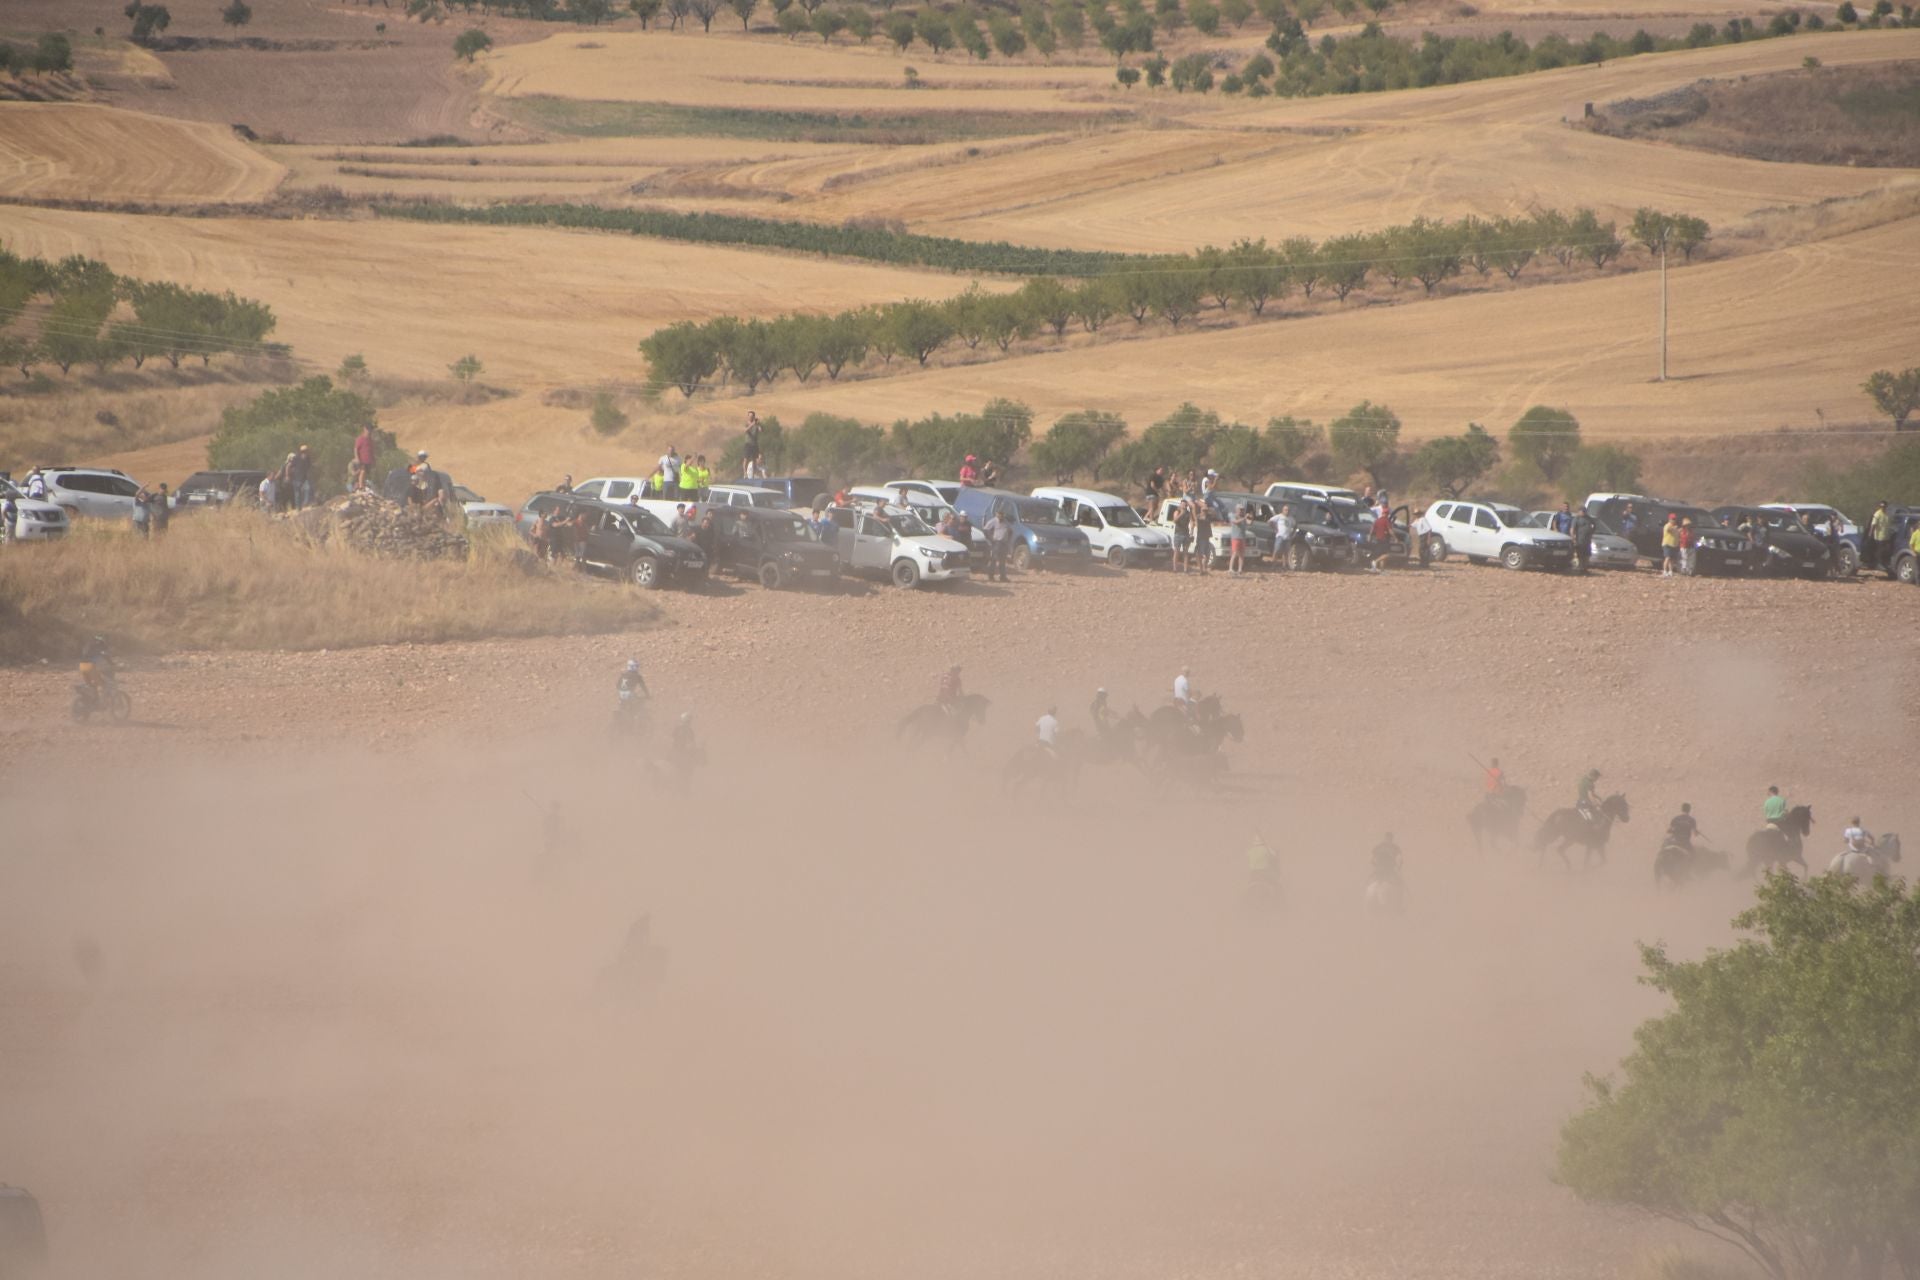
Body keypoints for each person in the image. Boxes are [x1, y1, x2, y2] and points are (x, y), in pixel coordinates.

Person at [983, 507, 1012, 582]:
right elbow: (986, 530)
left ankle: (1002, 577)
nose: (1000, 516)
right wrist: (991, 539)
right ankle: (991, 576)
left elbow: (1010, 531)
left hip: (1004, 543)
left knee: (1002, 561)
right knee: (994, 560)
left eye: (1001, 514)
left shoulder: (1006, 522)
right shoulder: (993, 521)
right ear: (996, 514)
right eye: (999, 514)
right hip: (997, 543)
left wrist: (1008, 540)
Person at [1568, 506, 1594, 573]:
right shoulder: (1576, 519)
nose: (1583, 512)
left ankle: (1585, 568)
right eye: (1582, 511)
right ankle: (1580, 568)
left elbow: (1593, 526)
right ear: (1579, 511)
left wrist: (1591, 533)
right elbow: (1572, 529)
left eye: (1584, 511)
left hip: (1587, 541)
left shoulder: (1589, 519)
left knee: (1587, 555)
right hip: (1580, 540)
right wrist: (1573, 538)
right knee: (1580, 554)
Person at [1869, 500, 1893, 573]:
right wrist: (1870, 533)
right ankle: (1878, 564)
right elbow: (1873, 524)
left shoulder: (1887, 514)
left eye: (1884, 506)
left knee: (1885, 551)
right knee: (1879, 551)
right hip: (1879, 537)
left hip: (1886, 536)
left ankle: (1884, 563)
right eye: (1881, 506)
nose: (1883, 507)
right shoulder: (1877, 514)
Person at [1368, 506, 1393, 573]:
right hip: (1385, 539)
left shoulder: (1377, 520)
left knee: (1382, 554)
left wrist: (1370, 537)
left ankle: (1382, 570)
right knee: (1387, 554)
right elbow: (1390, 530)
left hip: (1378, 539)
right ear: (1387, 514)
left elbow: (1372, 529)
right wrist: (1395, 538)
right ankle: (1375, 562)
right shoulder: (1386, 520)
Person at [1273, 503, 1296, 570]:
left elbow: (1295, 526)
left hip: (1287, 538)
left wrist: (1292, 533)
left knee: (1286, 552)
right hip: (1280, 536)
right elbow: (1270, 521)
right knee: (1277, 550)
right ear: (1282, 510)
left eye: (1288, 510)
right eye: (1285, 510)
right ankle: (1273, 564)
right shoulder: (1279, 516)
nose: (1287, 511)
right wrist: (1275, 529)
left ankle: (1284, 566)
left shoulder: (1291, 519)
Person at [1192, 500, 1213, 575]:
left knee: (1207, 554)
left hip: (1207, 537)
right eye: (1203, 510)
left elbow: (1213, 512)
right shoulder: (1198, 517)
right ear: (1201, 510)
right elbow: (1197, 518)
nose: (1205, 511)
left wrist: (1206, 507)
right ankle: (1201, 569)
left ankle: (1204, 569)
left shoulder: (1208, 516)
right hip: (1200, 537)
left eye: (1206, 510)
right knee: (1200, 554)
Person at [1228, 505, 1249, 576]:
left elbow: (1249, 523)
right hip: (1236, 537)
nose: (1242, 511)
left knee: (1242, 554)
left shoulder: (1243, 518)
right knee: (1235, 553)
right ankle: (1230, 569)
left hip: (1242, 537)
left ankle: (1240, 569)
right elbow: (1235, 522)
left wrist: (1249, 518)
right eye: (1240, 509)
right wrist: (1244, 518)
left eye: (1243, 509)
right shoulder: (1233, 516)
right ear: (1236, 510)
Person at [1171, 500, 1190, 573]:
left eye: (1185, 505)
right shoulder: (1177, 512)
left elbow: (1191, 521)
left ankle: (1185, 569)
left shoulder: (1188, 513)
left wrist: (1191, 530)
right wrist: (1181, 514)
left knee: (1186, 552)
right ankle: (1175, 568)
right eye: (1182, 504)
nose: (1184, 506)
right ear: (1180, 505)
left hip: (1186, 534)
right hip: (1178, 533)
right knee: (1177, 551)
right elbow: (1175, 520)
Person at [1660, 513, 1680, 578]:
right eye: (1672, 519)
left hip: (1673, 545)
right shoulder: (1667, 525)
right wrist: (1674, 528)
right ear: (1669, 519)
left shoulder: (1675, 527)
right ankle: (1665, 571)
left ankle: (1671, 571)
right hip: (1667, 544)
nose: (1674, 520)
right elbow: (1668, 529)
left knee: (1672, 559)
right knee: (1667, 558)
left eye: (1675, 519)